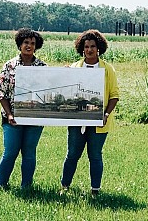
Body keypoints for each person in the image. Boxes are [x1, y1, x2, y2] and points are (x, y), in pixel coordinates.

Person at [60, 29, 120, 197]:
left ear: (98, 47)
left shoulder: (107, 69)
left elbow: (114, 96)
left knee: (94, 155)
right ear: (82, 48)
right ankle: (64, 187)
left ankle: (95, 190)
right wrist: (63, 74)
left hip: (99, 122)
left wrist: (106, 114)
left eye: (93, 46)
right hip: (76, 120)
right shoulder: (75, 67)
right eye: (86, 46)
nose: (89, 50)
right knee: (72, 154)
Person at [0, 28, 47, 190]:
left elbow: (51, 88)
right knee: (10, 152)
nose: (29, 46)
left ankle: (27, 186)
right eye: (26, 42)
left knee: (29, 153)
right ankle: (2, 185)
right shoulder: (9, 66)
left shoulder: (43, 67)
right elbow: (1, 94)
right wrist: (10, 115)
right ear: (20, 44)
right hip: (12, 118)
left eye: (33, 43)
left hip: (35, 117)